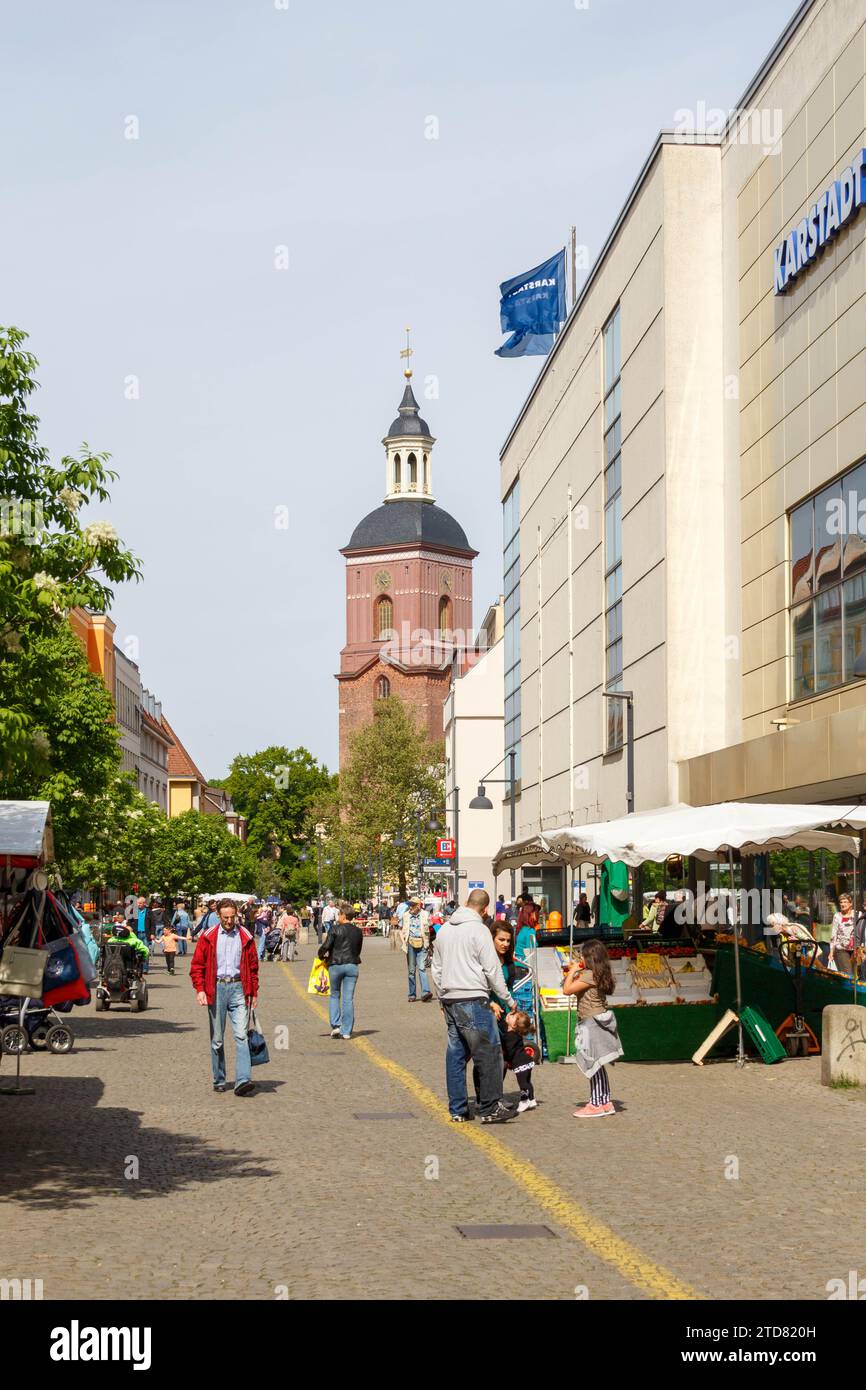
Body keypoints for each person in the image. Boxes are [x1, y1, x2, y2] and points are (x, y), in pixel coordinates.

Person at [430, 888, 517, 1125]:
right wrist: (508, 1000)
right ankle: (489, 1107)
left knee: (456, 1055)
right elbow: (492, 970)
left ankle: (458, 1108)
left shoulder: (445, 930)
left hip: (450, 999)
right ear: (485, 909)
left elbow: (436, 968)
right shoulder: (479, 930)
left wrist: (441, 995)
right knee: (487, 1053)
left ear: (466, 902)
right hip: (473, 998)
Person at [190, 898, 259, 1096]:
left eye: (232, 917)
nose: (229, 921)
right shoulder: (208, 936)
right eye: (225, 917)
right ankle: (219, 1078)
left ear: (237, 914)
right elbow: (197, 966)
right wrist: (200, 989)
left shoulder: (245, 936)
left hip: (239, 988)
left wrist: (254, 992)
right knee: (217, 1040)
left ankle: (243, 1079)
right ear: (218, 916)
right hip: (217, 988)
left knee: (241, 1035)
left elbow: (253, 967)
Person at [562, 939, 622, 1118]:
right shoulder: (599, 973)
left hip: (591, 1022)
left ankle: (596, 1104)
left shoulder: (589, 975)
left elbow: (567, 990)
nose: (580, 957)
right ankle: (605, 1102)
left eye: (583, 955)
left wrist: (572, 971)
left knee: (593, 1064)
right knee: (599, 1064)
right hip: (597, 1018)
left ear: (591, 958)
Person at [318, 903, 363, 1040]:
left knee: (335, 995)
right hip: (352, 966)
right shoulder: (358, 931)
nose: (338, 916)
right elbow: (358, 949)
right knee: (348, 999)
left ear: (343, 915)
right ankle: (347, 1031)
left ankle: (336, 1025)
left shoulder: (335, 929)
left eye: (339, 914)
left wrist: (321, 955)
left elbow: (326, 946)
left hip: (336, 965)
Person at [501, 1012, 537, 1113]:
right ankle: (532, 1099)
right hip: (526, 1061)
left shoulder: (509, 1036)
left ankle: (524, 1100)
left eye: (513, 1016)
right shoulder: (515, 1033)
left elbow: (510, 1051)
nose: (509, 1015)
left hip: (520, 1063)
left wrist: (507, 1060)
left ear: (514, 1025)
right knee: (527, 1081)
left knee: (523, 1083)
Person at [402, 896, 432, 1002]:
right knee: (411, 971)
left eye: (413, 905)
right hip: (410, 944)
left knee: (422, 968)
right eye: (410, 905)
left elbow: (430, 928)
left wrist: (429, 945)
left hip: (422, 943)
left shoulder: (425, 915)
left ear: (418, 905)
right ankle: (412, 994)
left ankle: (425, 992)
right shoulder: (406, 915)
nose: (410, 907)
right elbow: (403, 929)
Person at [829, 892, 856, 976]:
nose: (843, 904)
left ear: (850, 903)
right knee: (848, 974)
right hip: (841, 949)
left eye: (845, 902)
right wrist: (831, 952)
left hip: (855, 950)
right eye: (841, 902)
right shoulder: (837, 916)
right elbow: (834, 935)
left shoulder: (857, 914)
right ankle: (849, 989)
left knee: (857, 974)